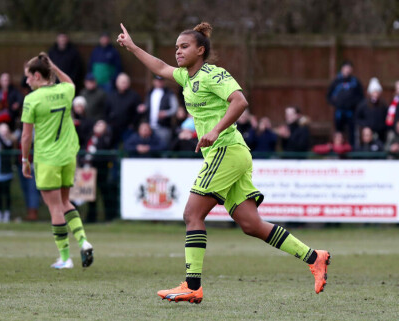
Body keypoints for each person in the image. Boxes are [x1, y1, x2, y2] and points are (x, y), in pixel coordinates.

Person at [118, 22, 331, 303]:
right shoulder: (186, 77)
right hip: (231, 154)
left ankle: (192, 286)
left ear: (201, 50)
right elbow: (159, 67)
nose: (178, 52)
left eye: (184, 47)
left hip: (226, 150)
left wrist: (215, 130)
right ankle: (314, 257)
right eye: (176, 48)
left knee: (192, 214)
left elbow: (240, 101)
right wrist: (132, 47)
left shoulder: (212, 74)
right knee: (251, 224)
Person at [21, 52, 93, 269]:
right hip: (68, 156)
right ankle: (83, 241)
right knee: (64, 202)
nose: (26, 81)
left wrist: (25, 159)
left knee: (54, 208)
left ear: (36, 75)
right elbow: (69, 81)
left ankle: (65, 258)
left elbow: (26, 136)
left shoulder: (32, 99)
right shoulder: (65, 90)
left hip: (47, 158)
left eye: (27, 76)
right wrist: (53, 66)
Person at [327, 60, 364, 146]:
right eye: (346, 68)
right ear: (342, 69)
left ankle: (352, 151)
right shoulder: (336, 81)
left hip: (351, 112)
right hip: (339, 112)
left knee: (352, 133)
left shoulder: (355, 82)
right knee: (338, 133)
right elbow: (329, 96)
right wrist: (336, 103)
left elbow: (361, 96)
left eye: (349, 69)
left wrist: (353, 104)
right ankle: (337, 150)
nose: (347, 70)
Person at [104, 72, 143, 146]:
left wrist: (133, 124)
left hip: (128, 129)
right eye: (122, 82)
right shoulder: (111, 96)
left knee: (128, 147)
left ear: (129, 83)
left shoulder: (134, 96)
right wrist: (109, 123)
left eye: (125, 82)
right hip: (114, 128)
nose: (123, 84)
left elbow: (139, 112)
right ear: (116, 83)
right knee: (113, 148)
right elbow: (106, 111)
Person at [140, 75, 179, 146]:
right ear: (154, 81)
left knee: (163, 146)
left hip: (163, 127)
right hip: (149, 126)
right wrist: (143, 107)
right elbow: (147, 105)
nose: (159, 82)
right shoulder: (150, 92)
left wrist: (166, 113)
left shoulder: (169, 93)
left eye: (161, 81)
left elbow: (175, 108)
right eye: (157, 81)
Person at [0, 124, 15, 223]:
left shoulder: (9, 141)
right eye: (1, 130)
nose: (3, 132)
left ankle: (7, 213)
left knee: (6, 194)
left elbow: (6, 146)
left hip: (6, 173)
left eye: (5, 130)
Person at [356, 77, 388, 143]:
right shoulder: (363, 105)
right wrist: (365, 125)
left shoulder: (383, 105)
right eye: (373, 92)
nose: (375, 94)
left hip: (380, 134)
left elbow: (387, 118)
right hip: (367, 134)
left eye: (377, 92)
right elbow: (357, 118)